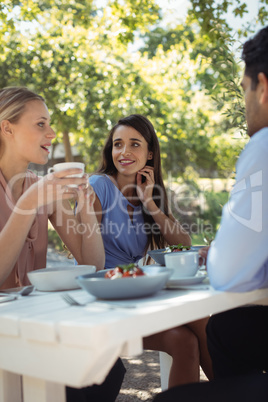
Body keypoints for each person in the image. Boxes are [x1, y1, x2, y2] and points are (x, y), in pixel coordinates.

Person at [152, 25, 268, 401]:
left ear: (262, 88)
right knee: (228, 327)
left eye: (244, 91)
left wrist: (221, 252)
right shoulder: (104, 187)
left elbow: (227, 274)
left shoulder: (263, 145)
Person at [0, 86, 125, 401]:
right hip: (7, 333)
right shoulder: (36, 192)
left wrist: (84, 208)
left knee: (109, 367)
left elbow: (92, 265)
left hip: (32, 321)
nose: (52, 132)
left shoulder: (40, 188)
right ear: (7, 128)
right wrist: (30, 202)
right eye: (40, 124)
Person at [89, 114, 214, 387]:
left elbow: (182, 242)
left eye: (135, 144)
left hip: (135, 286)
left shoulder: (148, 190)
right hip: (106, 294)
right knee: (198, 320)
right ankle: (236, 391)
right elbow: (88, 257)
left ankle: (232, 390)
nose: (124, 152)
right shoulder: (99, 186)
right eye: (118, 144)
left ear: (149, 153)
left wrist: (151, 204)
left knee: (188, 339)